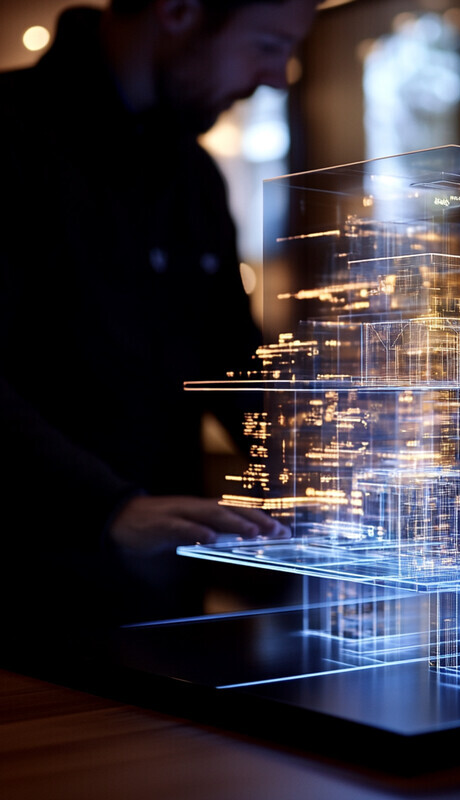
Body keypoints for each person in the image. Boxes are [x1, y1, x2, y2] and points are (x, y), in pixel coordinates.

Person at [0, 0, 318, 651]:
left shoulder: (194, 176)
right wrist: (106, 506)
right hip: (18, 598)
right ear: (176, 10)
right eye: (265, 43)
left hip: (155, 601)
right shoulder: (8, 134)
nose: (280, 75)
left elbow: (231, 362)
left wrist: (333, 461)